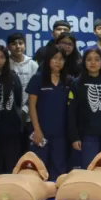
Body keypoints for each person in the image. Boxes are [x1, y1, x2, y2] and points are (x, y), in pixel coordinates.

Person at [27, 44, 70, 180]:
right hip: (41, 132)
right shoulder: (38, 79)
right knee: (38, 170)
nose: (58, 62)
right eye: (54, 58)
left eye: (61, 59)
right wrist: (36, 129)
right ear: (48, 60)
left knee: (59, 170)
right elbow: (31, 106)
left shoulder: (68, 81)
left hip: (61, 134)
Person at [67, 48, 101, 170]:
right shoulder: (77, 83)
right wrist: (74, 137)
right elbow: (71, 112)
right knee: (89, 169)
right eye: (89, 59)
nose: (93, 63)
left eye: (97, 59)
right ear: (84, 62)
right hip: (87, 135)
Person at [0, 45, 23, 175]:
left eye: (2, 57)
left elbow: (18, 100)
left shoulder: (13, 77)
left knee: (11, 165)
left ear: (6, 60)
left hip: (11, 128)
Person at [7, 33, 38, 152]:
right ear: (8, 47)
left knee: (30, 150)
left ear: (25, 45)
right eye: (14, 44)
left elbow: (36, 90)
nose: (18, 46)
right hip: (11, 115)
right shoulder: (6, 64)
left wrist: (26, 108)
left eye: (20, 43)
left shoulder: (32, 65)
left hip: (29, 115)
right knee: (14, 150)